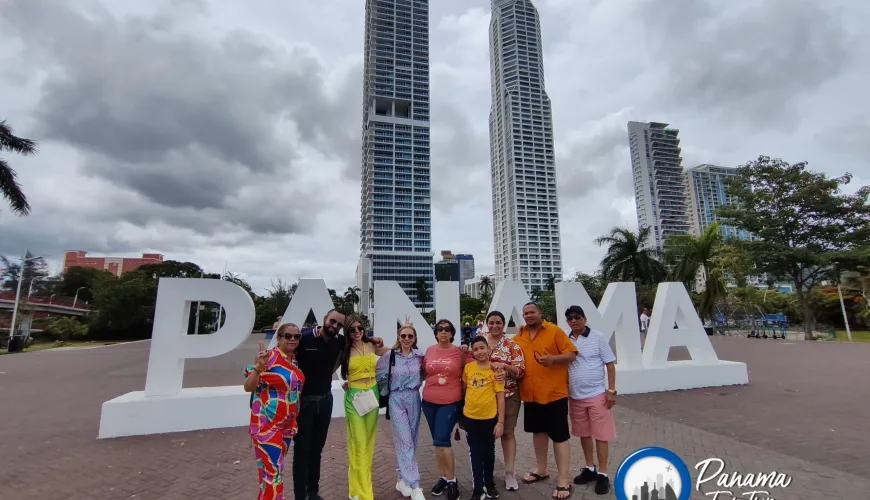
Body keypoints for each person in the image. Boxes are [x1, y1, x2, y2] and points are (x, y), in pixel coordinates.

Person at [292, 309, 384, 500]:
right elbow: (284, 354)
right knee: (302, 451)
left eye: (340, 325)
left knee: (317, 449)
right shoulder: (304, 339)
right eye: (333, 322)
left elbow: (335, 366)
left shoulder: (339, 342)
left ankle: (313, 492)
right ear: (325, 319)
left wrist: (375, 340)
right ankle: (300, 496)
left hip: (325, 401)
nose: (335, 326)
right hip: (304, 403)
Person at [512, 302, 578, 500]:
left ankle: (564, 480)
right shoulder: (519, 336)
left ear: (540, 313)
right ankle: (541, 469)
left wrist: (554, 360)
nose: (529, 315)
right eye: (526, 313)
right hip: (530, 395)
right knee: (538, 432)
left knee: (559, 436)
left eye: (532, 312)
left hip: (554, 394)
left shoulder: (554, 331)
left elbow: (572, 354)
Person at [244, 324, 305, 500]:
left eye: (296, 336)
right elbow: (248, 387)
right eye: (288, 335)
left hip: (286, 427)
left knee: (268, 474)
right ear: (279, 338)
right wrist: (258, 368)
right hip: (266, 425)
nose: (292, 339)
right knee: (274, 473)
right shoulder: (269, 358)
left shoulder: (294, 361)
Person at [565, 306, 617, 495]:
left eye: (577, 317)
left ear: (584, 319)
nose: (574, 321)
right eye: (570, 318)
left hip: (596, 394)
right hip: (575, 396)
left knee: (601, 435)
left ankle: (603, 473)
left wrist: (611, 390)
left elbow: (610, 364)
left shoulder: (597, 337)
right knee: (584, 434)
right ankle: (590, 468)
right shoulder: (565, 338)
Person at [340, 315, 391, 500]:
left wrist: (404, 331)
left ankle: (355, 490)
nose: (356, 332)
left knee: (368, 444)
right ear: (347, 331)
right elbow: (325, 368)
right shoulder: (343, 350)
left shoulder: (371, 345)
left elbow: (394, 351)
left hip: (373, 395)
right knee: (359, 443)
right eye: (352, 329)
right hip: (354, 398)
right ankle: (365, 494)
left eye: (359, 328)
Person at [376, 319, 425, 500]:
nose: (406, 338)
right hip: (396, 398)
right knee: (405, 440)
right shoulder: (391, 356)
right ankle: (415, 483)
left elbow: (426, 372)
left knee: (411, 439)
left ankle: (402, 478)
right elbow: (378, 374)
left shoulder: (419, 356)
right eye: (403, 335)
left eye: (410, 336)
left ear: (414, 338)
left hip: (413, 398)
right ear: (398, 337)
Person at [482, 311, 526, 491]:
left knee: (507, 433)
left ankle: (509, 472)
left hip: (508, 395)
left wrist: (506, 366)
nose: (494, 326)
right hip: (484, 397)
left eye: (498, 323)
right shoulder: (479, 342)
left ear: (503, 324)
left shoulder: (512, 345)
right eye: (491, 323)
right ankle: (486, 473)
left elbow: (521, 372)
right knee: (485, 435)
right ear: (487, 324)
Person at [422, 319, 464, 500]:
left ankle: (452, 480)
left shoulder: (460, 352)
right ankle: (443, 478)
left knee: (442, 440)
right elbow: (423, 371)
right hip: (429, 401)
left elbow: (477, 364)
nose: (444, 332)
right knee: (437, 442)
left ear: (452, 333)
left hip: (450, 401)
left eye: (447, 329)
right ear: (436, 333)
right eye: (440, 329)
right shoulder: (430, 350)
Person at [462, 336, 506, 500]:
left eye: (482, 348)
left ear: (488, 349)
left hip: (489, 419)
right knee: (475, 453)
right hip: (470, 418)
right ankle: (478, 488)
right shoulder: (468, 368)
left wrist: (500, 422)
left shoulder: (496, 371)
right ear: (472, 352)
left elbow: (500, 397)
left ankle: (489, 483)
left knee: (489, 453)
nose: (480, 351)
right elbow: (465, 390)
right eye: (476, 349)